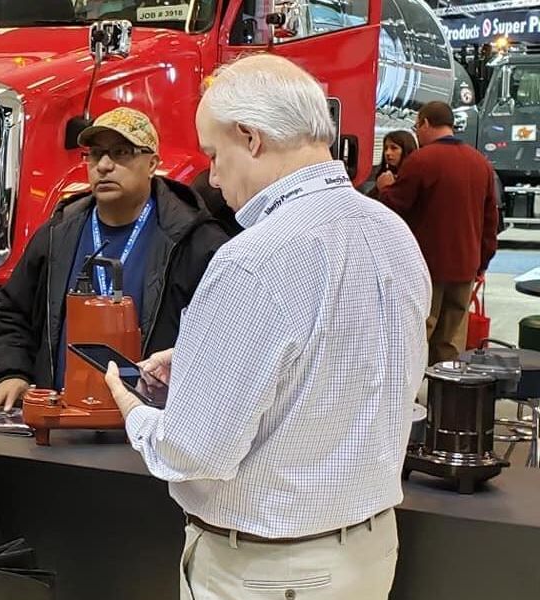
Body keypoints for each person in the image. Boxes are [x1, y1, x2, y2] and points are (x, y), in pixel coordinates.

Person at [104, 54, 431, 600]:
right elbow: (341, 362)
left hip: (270, 571)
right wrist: (199, 364)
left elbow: (197, 450)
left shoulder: (254, 259)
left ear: (250, 138)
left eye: (213, 153)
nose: (212, 175)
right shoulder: (391, 231)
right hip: (369, 552)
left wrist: (136, 414)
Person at [0, 107, 233, 410]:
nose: (104, 165)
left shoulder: (194, 240)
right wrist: (13, 372)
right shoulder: (57, 233)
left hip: (151, 423)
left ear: (152, 163)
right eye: (95, 154)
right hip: (65, 420)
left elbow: (224, 337)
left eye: (121, 153)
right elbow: (15, 310)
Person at [377, 100, 498, 364]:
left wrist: (385, 187)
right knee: (451, 341)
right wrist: (482, 261)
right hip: (465, 267)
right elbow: (491, 220)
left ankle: (412, 399)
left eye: (417, 126)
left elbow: (396, 208)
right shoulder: (480, 163)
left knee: (419, 335)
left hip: (427, 268)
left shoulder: (421, 160)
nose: (417, 133)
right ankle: (444, 399)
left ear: (425, 123)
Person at [359, 130, 417, 198]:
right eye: (386, 148)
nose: (387, 153)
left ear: (406, 149)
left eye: (394, 148)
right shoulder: (383, 177)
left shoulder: (413, 179)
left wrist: (385, 190)